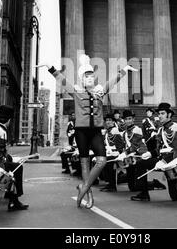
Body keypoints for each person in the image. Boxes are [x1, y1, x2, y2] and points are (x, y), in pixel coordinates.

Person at [37, 54, 138, 209]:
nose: (90, 79)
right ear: (82, 79)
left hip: (96, 131)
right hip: (81, 132)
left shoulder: (100, 92)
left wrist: (124, 70)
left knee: (102, 161)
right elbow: (61, 79)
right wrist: (50, 66)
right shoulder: (76, 92)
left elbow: (112, 82)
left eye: (92, 76)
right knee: (85, 166)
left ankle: (83, 187)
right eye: (87, 76)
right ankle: (88, 194)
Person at [130, 103, 177, 202]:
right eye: (159, 114)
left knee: (175, 196)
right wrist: (150, 154)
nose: (159, 116)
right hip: (163, 161)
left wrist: (164, 161)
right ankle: (144, 194)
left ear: (169, 115)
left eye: (162, 113)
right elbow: (159, 149)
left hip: (174, 163)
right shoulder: (161, 130)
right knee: (141, 163)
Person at [119, 110, 165, 193]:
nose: (128, 121)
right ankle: (152, 183)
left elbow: (135, 146)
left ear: (133, 119)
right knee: (132, 187)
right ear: (124, 121)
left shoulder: (137, 130)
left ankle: (154, 184)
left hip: (139, 156)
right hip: (130, 157)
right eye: (126, 119)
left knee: (138, 184)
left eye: (130, 119)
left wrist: (125, 153)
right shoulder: (125, 132)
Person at [99, 113, 125, 192]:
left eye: (110, 120)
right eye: (107, 120)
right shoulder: (107, 131)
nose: (108, 122)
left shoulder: (114, 130)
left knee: (107, 162)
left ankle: (112, 185)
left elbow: (120, 144)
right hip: (109, 153)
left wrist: (119, 153)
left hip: (116, 153)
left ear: (114, 122)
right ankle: (109, 182)